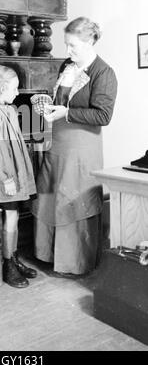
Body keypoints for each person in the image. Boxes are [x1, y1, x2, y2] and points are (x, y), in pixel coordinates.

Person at [32, 17, 118, 277]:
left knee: (73, 198)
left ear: (90, 42)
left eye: (73, 46)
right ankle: (46, 254)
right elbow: (63, 101)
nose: (68, 51)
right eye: (66, 44)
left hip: (82, 148)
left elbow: (103, 116)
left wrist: (65, 113)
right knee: (49, 195)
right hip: (58, 143)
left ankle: (74, 262)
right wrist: (47, 105)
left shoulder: (104, 73)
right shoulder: (66, 66)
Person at [0, 65, 38, 288]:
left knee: (14, 217)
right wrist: (6, 178)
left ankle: (12, 258)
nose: (18, 92)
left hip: (15, 173)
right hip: (5, 177)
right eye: (14, 87)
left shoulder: (9, 110)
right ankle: (7, 265)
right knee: (10, 218)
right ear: (1, 88)